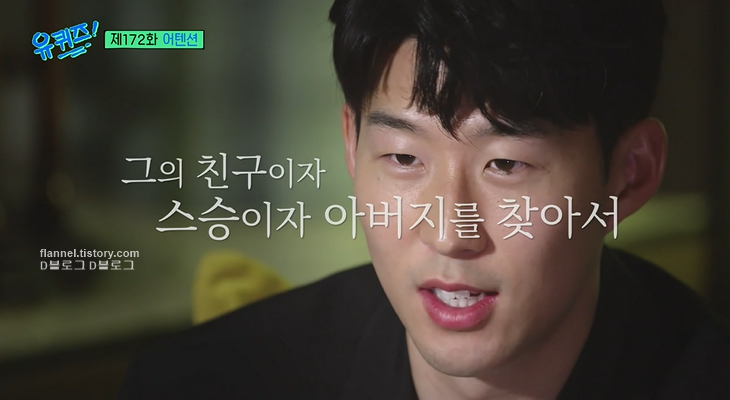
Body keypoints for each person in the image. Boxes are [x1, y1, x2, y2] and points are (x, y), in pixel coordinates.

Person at [118, 0, 730, 398]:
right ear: (352, 144)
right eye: (404, 158)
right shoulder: (202, 383)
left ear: (629, 175)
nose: (448, 233)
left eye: (506, 164)